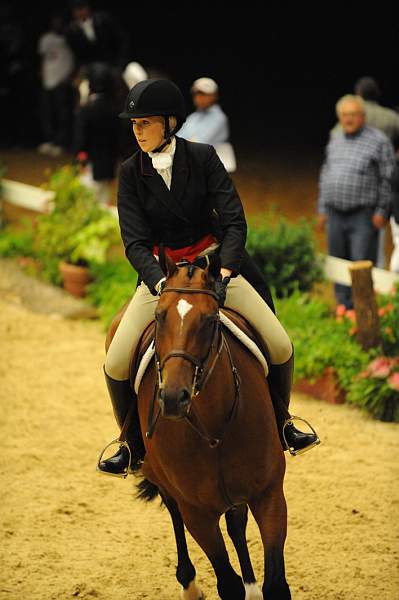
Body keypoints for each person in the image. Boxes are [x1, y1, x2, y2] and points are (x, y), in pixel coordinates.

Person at [97, 78, 320, 477]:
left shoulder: (203, 157)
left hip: (215, 268)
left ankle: (283, 423)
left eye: (144, 123)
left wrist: (227, 266)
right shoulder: (130, 172)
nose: (137, 131)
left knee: (280, 344)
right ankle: (130, 444)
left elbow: (234, 220)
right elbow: (133, 241)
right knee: (116, 361)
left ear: (169, 123)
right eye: (133, 125)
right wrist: (159, 282)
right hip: (162, 278)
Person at [317, 94, 396, 309]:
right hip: (335, 213)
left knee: (360, 263)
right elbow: (326, 173)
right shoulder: (336, 139)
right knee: (337, 261)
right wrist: (322, 208)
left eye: (353, 115)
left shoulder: (379, 141)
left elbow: (388, 179)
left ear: (363, 116)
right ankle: (343, 307)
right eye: (344, 115)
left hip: (363, 215)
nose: (348, 119)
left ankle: (362, 309)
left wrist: (382, 210)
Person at [330, 77, 399, 268]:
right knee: (374, 252)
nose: (348, 118)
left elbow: (387, 175)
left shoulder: (340, 130)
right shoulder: (391, 118)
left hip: (367, 203)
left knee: (363, 255)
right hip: (362, 202)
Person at [73, 62, 119, 205]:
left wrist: (79, 158)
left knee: (86, 206)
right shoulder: (115, 110)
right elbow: (117, 142)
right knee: (103, 205)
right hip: (108, 167)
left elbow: (80, 140)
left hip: (89, 166)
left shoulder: (86, 110)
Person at [178, 77, 237, 173]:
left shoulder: (219, 118)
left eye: (204, 94)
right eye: (196, 94)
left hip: (214, 170)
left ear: (214, 96)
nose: (199, 98)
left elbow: (199, 143)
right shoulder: (193, 117)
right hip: (194, 165)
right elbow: (177, 139)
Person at [37, 14, 75, 157]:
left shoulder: (69, 39)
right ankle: (49, 140)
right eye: (55, 22)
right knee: (48, 113)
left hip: (63, 81)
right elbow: (42, 59)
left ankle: (61, 143)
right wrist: (43, 76)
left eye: (60, 22)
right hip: (48, 81)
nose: (57, 25)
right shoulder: (45, 39)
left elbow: (73, 59)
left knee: (63, 114)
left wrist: (69, 77)